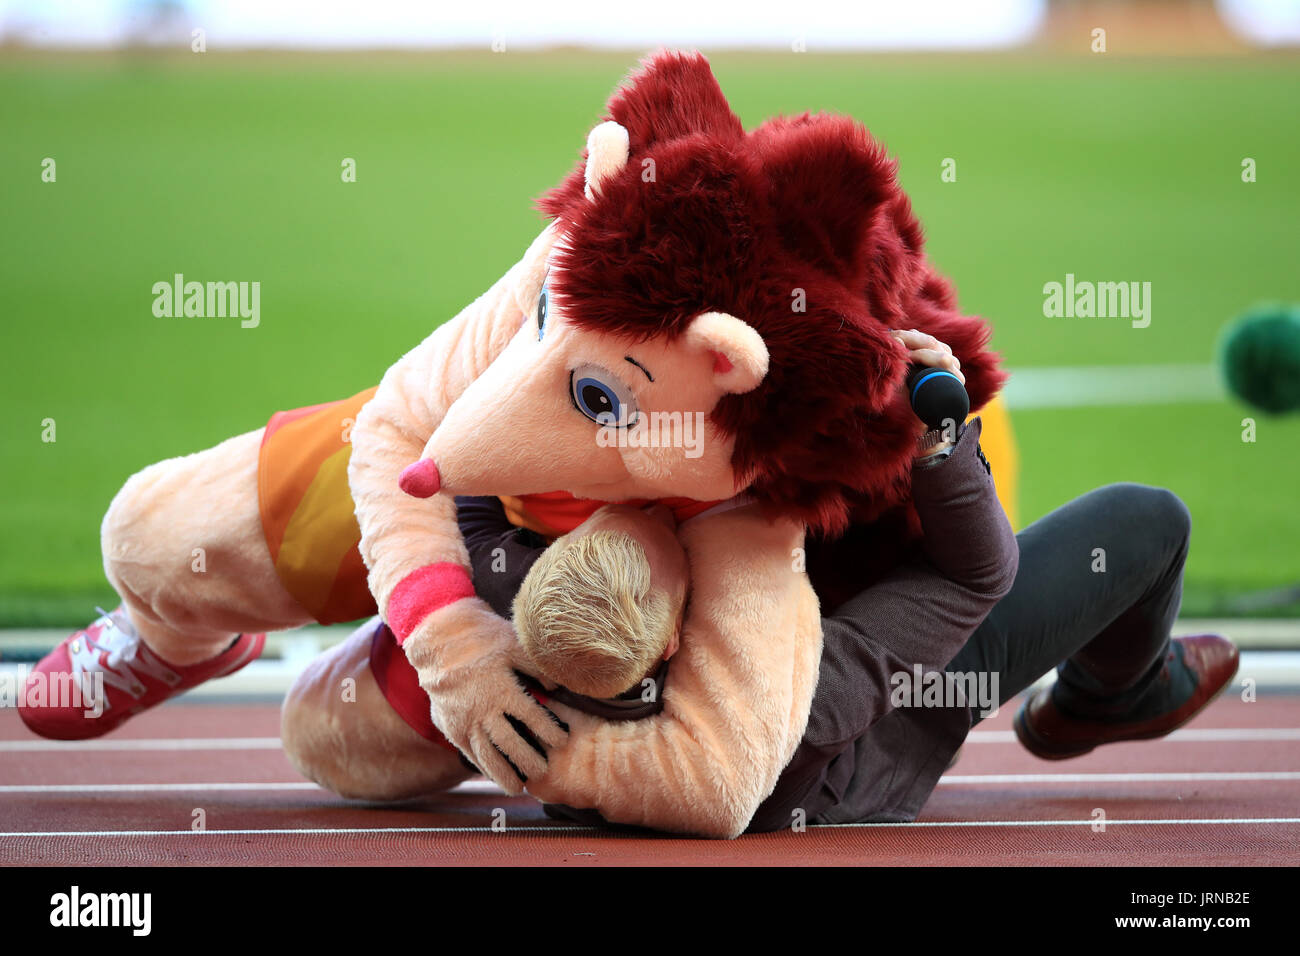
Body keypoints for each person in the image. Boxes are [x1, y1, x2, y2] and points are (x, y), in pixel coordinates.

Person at [458, 330, 1239, 830]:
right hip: (901, 710)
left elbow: (478, 518)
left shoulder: (550, 634)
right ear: (674, 641)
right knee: (1149, 522)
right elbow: (974, 577)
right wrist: (941, 440)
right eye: (670, 542)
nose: (660, 516)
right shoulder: (796, 695)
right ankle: (1107, 699)